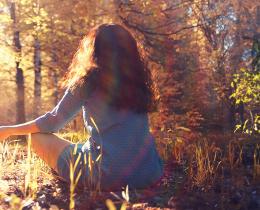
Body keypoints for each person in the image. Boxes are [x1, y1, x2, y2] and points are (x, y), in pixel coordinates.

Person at [0, 24, 163, 191]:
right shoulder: (139, 81)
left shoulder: (89, 81)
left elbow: (51, 123)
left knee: (37, 137)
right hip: (150, 173)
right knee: (82, 146)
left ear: (94, 49)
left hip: (107, 176)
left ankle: (70, 176)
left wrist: (8, 130)